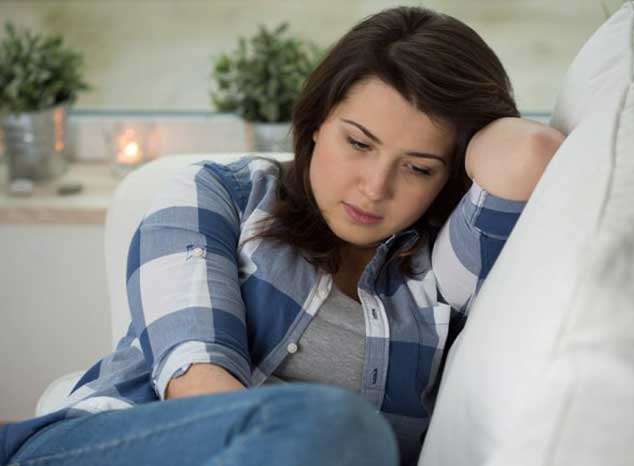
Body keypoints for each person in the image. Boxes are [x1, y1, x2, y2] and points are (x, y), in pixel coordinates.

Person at [1, 6, 565, 466]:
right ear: (318, 120)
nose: (373, 188)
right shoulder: (216, 193)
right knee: (332, 422)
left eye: (417, 167)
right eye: (359, 143)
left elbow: (531, 153)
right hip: (111, 444)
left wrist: (467, 127)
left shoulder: (436, 275)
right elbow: (196, 377)